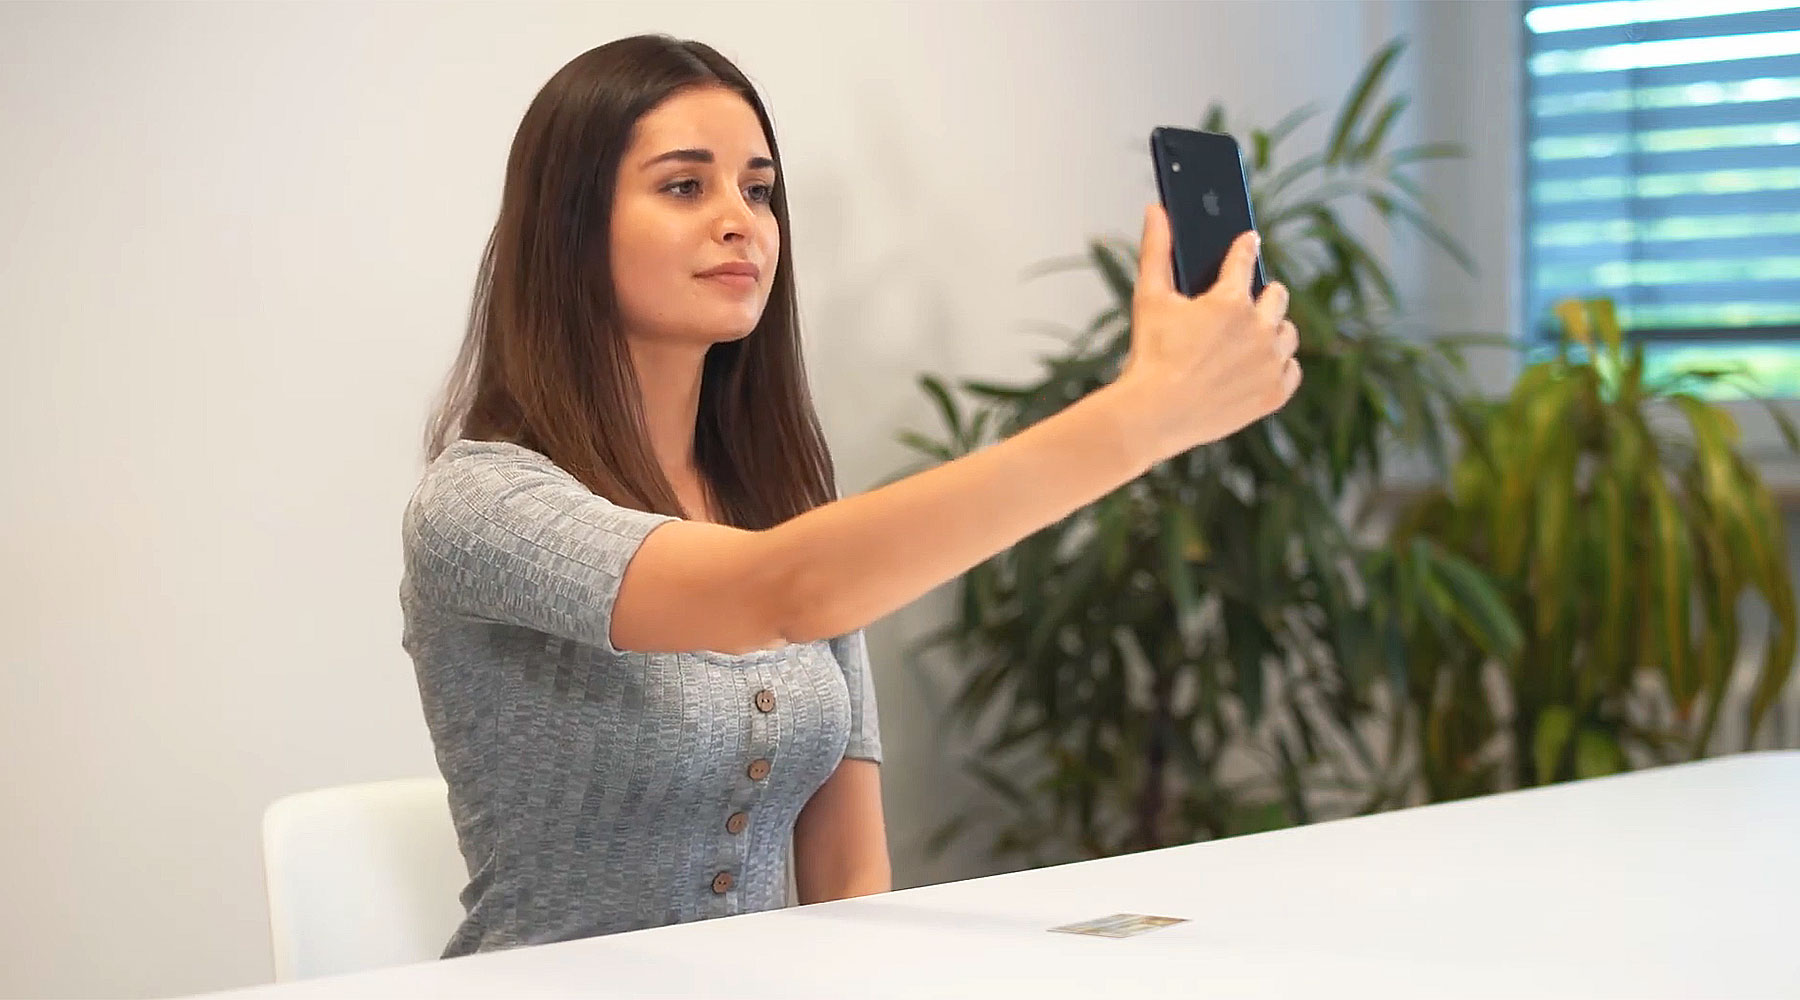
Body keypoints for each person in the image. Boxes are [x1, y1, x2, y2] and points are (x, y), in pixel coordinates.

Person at [399, 33, 1299, 959]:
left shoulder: (779, 498)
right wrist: (1138, 420)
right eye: (684, 186)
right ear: (570, 228)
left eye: (757, 188)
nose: (740, 219)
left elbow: (851, 888)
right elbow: (777, 594)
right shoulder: (482, 506)